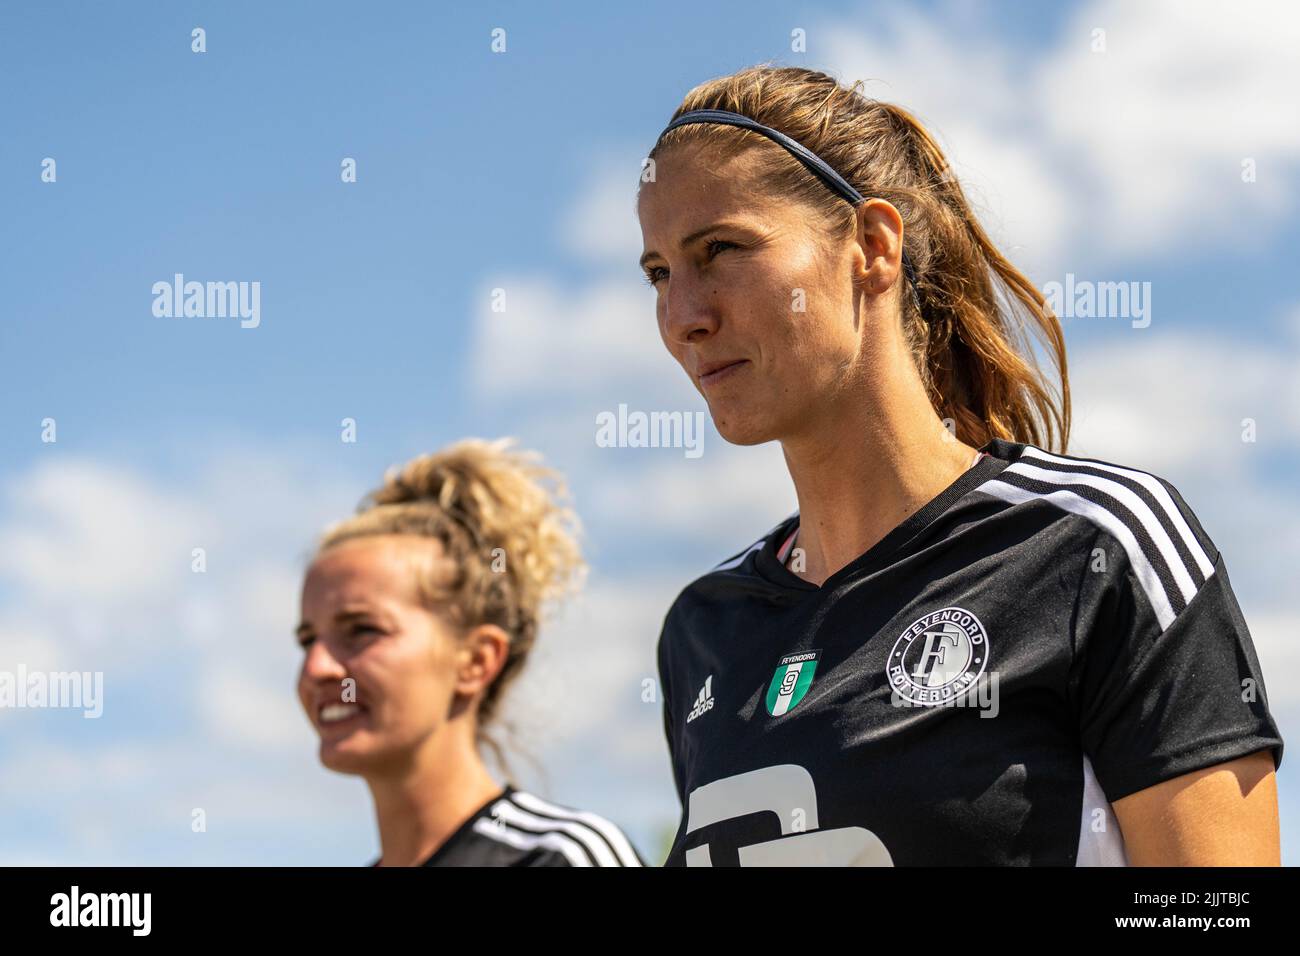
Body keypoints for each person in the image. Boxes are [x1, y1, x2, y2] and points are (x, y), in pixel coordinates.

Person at [637, 64, 1283, 865]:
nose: (683, 317)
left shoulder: (1097, 547)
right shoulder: (703, 628)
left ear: (871, 248)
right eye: (660, 272)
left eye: (721, 250)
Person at [296, 438, 644, 866]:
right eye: (308, 639)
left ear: (477, 660)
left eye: (362, 630)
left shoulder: (560, 857)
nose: (317, 667)